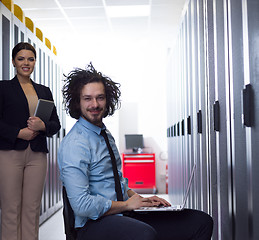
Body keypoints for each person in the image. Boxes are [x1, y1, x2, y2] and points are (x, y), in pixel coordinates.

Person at [58, 63, 213, 240]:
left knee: (200, 221)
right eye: (87, 98)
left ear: (108, 99)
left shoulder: (105, 135)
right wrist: (126, 205)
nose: (95, 104)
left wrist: (142, 200)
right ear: (77, 102)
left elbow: (116, 184)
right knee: (145, 235)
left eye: (100, 98)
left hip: (123, 213)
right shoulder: (75, 144)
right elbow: (82, 205)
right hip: (92, 225)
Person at [0, 42, 61, 240]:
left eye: (30, 59)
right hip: (9, 154)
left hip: (37, 155)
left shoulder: (44, 91)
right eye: (21, 59)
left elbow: (55, 124)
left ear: (35, 62)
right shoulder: (2, 87)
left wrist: (42, 126)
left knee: (32, 209)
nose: (26, 63)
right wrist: (19, 132)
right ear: (13, 62)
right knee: (11, 210)